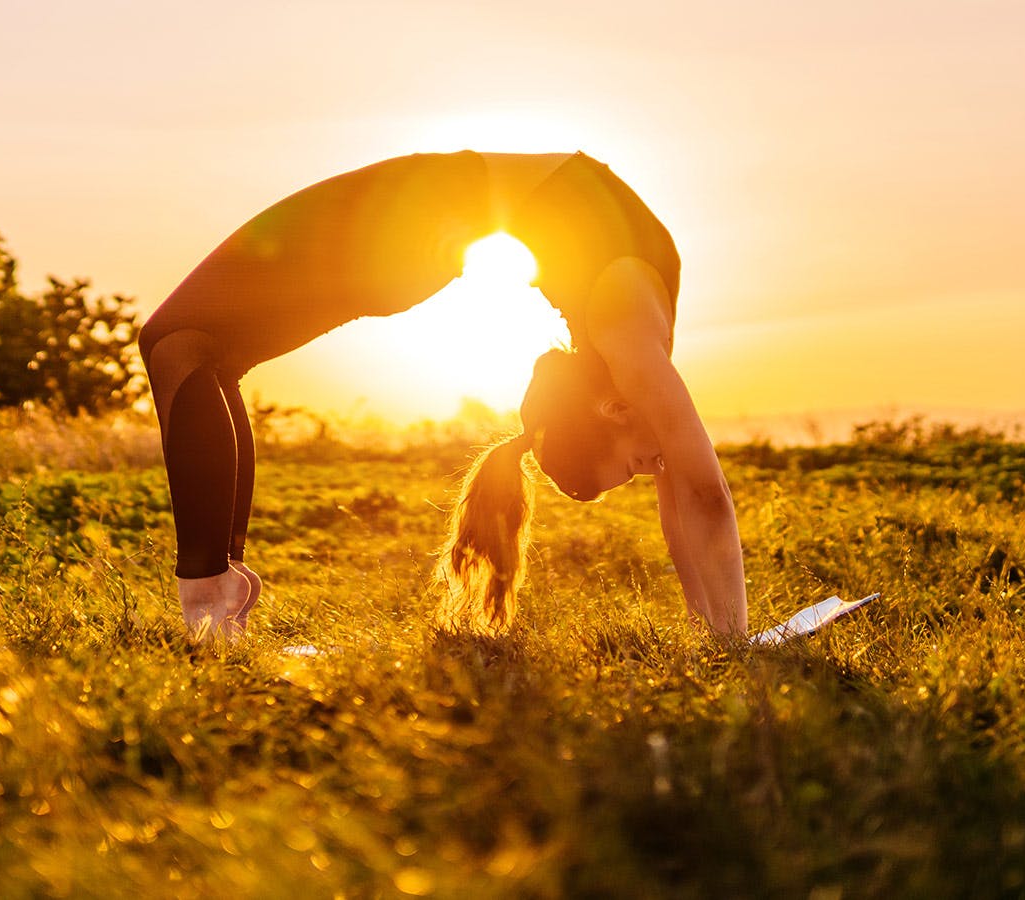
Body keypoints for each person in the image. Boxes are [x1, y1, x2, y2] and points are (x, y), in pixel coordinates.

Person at [139, 150, 747, 642]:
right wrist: (734, 641)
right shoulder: (632, 344)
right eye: (635, 464)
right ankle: (222, 580)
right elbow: (701, 494)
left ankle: (212, 586)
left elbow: (686, 507)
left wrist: (722, 636)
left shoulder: (630, 358)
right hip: (414, 215)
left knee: (180, 341)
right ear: (610, 412)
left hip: (416, 221)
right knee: (192, 345)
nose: (652, 465)